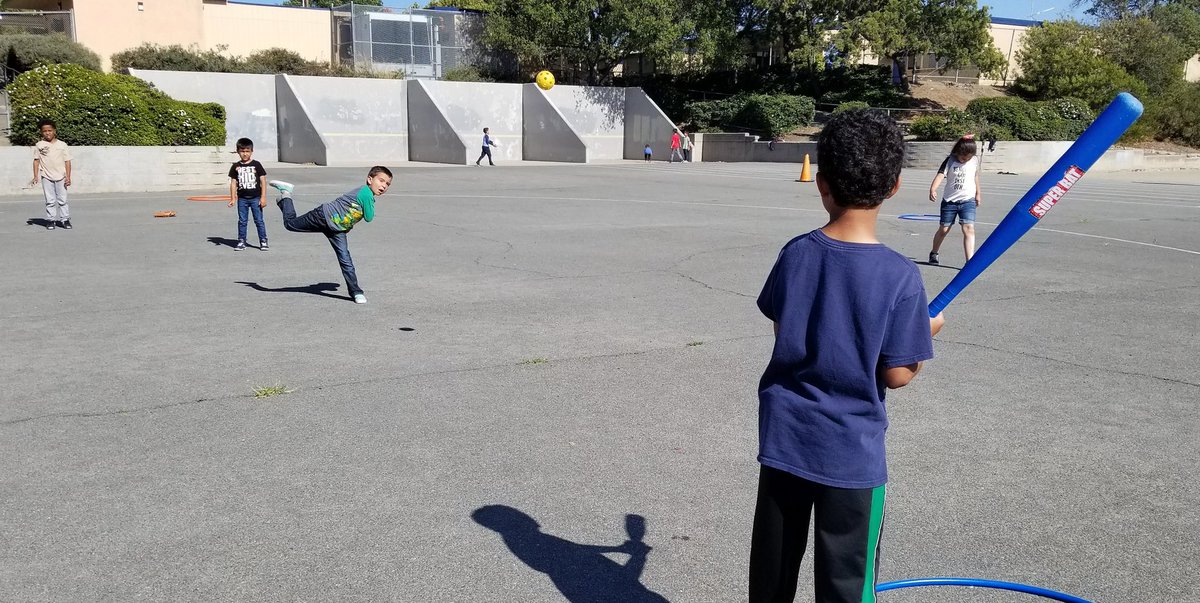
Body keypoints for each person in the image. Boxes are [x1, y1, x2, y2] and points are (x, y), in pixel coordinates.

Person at [749, 109, 945, 603]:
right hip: (851, 455)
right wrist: (923, 334)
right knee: (847, 581)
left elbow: (783, 324)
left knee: (772, 571)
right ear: (895, 186)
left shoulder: (795, 253)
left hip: (786, 439)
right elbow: (897, 373)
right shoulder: (900, 277)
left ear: (822, 182)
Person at [267, 166, 393, 304]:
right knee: (290, 224)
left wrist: (346, 227)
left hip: (337, 229)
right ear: (370, 179)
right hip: (322, 216)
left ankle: (356, 292)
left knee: (345, 260)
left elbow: (351, 214)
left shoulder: (366, 195)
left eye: (387, 184)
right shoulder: (366, 194)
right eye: (381, 181)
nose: (384, 186)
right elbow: (369, 217)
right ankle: (286, 194)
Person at [927, 135, 981, 265]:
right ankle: (934, 253)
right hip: (950, 201)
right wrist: (933, 189)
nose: (965, 160)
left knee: (969, 228)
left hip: (968, 200)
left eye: (968, 158)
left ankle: (970, 262)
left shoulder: (974, 160)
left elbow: (976, 177)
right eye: (963, 157)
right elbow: (940, 176)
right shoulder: (950, 160)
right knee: (944, 229)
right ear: (957, 152)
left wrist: (978, 193)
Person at [30, 119, 72, 230]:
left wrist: (68, 176)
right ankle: (51, 220)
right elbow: (36, 161)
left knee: (62, 200)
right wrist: (35, 176)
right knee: (50, 200)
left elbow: (67, 161)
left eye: (50, 130)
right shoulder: (39, 145)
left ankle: (65, 220)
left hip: (61, 176)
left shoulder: (62, 145)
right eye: (45, 131)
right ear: (41, 132)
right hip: (46, 176)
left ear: (54, 131)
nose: (47, 133)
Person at [227, 137, 269, 251]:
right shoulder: (235, 166)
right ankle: (241, 241)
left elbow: (263, 181)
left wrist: (263, 197)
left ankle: (263, 240)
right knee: (242, 221)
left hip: (256, 198)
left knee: (259, 220)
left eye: (247, 151)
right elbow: (233, 183)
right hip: (242, 199)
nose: (245, 154)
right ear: (238, 151)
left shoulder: (257, 164)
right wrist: (232, 198)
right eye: (242, 151)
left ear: (251, 151)